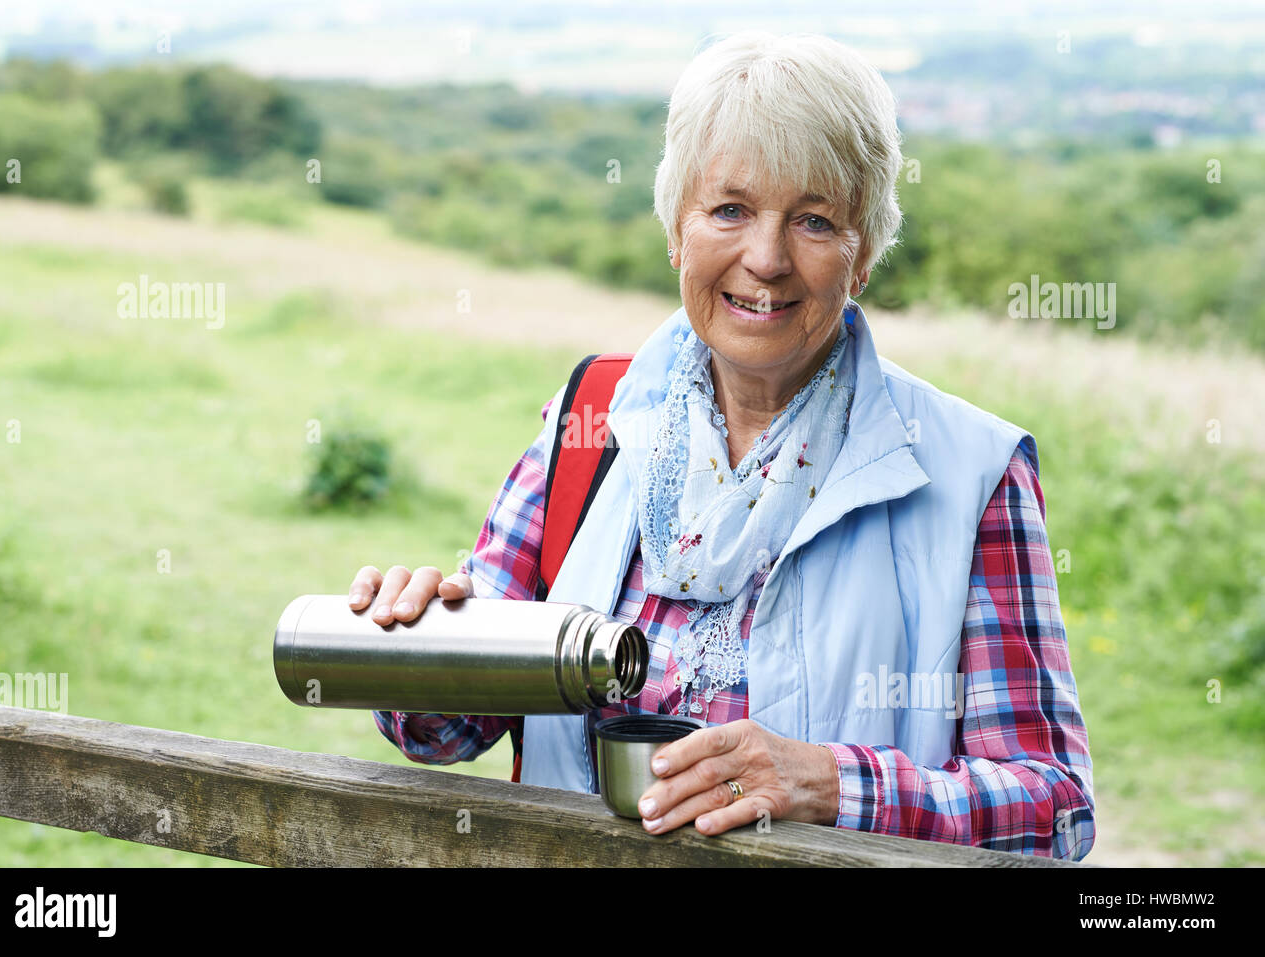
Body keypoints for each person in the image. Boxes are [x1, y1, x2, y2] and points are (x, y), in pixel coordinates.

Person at [350, 31, 1094, 859]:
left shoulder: (969, 471)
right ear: (677, 229)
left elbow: (1052, 807)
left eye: (814, 221)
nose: (766, 259)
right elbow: (452, 730)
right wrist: (412, 645)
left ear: (864, 258)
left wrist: (828, 783)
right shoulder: (593, 416)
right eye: (730, 209)